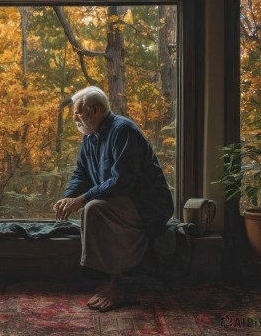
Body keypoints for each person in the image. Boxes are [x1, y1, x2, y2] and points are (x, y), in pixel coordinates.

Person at [53, 86, 174, 312]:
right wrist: (69, 197)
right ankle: (110, 281)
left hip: (148, 205)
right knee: (93, 205)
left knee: (94, 208)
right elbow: (81, 173)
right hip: (123, 201)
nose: (74, 118)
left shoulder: (123, 130)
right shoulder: (90, 137)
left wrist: (83, 199)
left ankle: (118, 286)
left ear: (96, 110)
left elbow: (121, 182)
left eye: (78, 112)